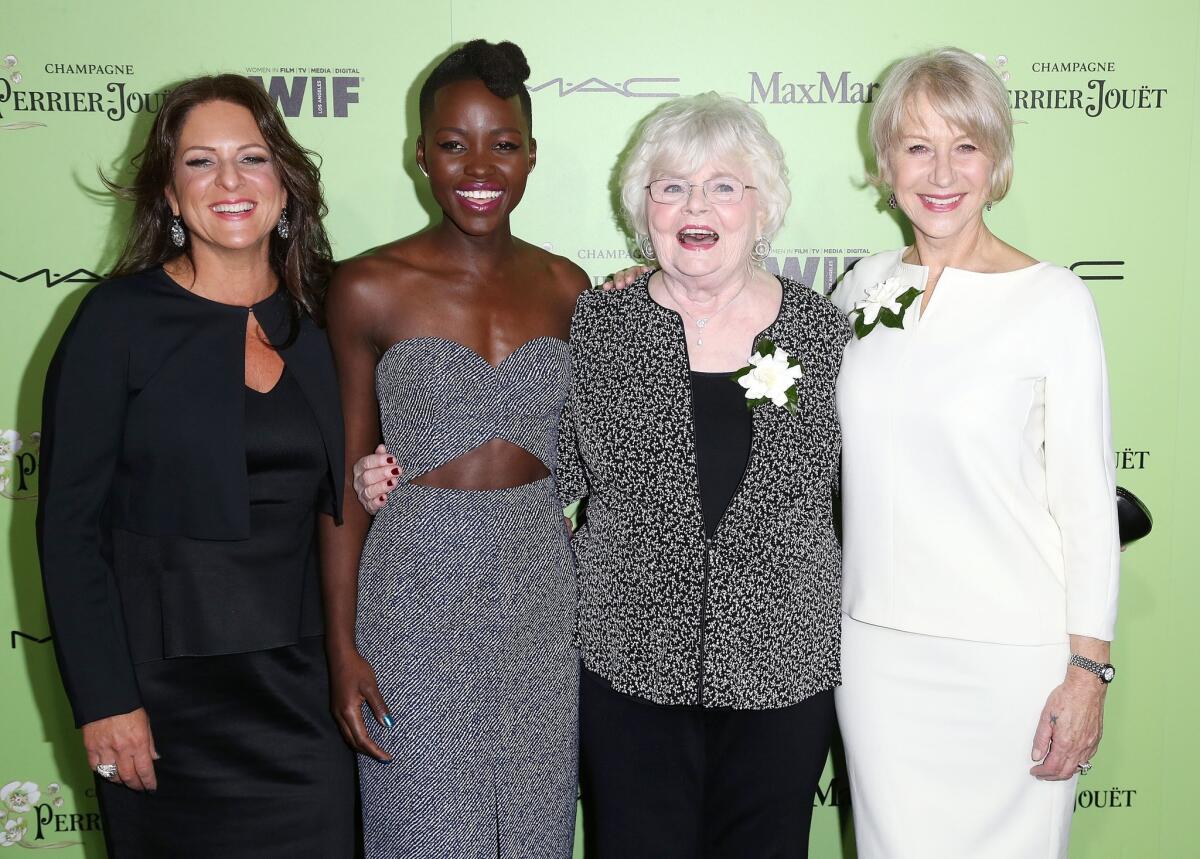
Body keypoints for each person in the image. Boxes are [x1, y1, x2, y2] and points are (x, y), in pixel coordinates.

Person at [360, 91, 849, 858]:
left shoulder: (821, 331)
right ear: (643, 205)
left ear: (764, 206)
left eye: (724, 186)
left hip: (783, 670)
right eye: (672, 186)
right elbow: (542, 468)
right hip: (626, 668)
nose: (698, 207)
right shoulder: (600, 322)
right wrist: (387, 469)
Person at [36, 75, 354, 857]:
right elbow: (68, 529)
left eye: (252, 158)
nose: (230, 182)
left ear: (285, 184)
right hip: (161, 704)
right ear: (171, 197)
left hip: (303, 700)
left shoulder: (327, 320)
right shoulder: (115, 322)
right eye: (200, 163)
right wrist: (105, 700)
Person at [830, 47, 1119, 857]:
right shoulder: (862, 288)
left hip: (1011, 665)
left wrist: (1086, 671)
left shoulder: (1054, 301)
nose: (941, 171)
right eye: (918, 146)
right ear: (886, 163)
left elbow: (1089, 503)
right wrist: (659, 289)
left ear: (997, 163)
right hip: (877, 654)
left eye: (966, 145)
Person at [319, 41, 588, 858]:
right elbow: (342, 486)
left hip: (545, 591)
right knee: (424, 829)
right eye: (453, 143)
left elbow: (595, 452)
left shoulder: (568, 287)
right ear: (420, 154)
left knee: (537, 831)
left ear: (531, 155)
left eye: (503, 144)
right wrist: (342, 648)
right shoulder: (369, 286)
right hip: (415, 594)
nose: (479, 165)